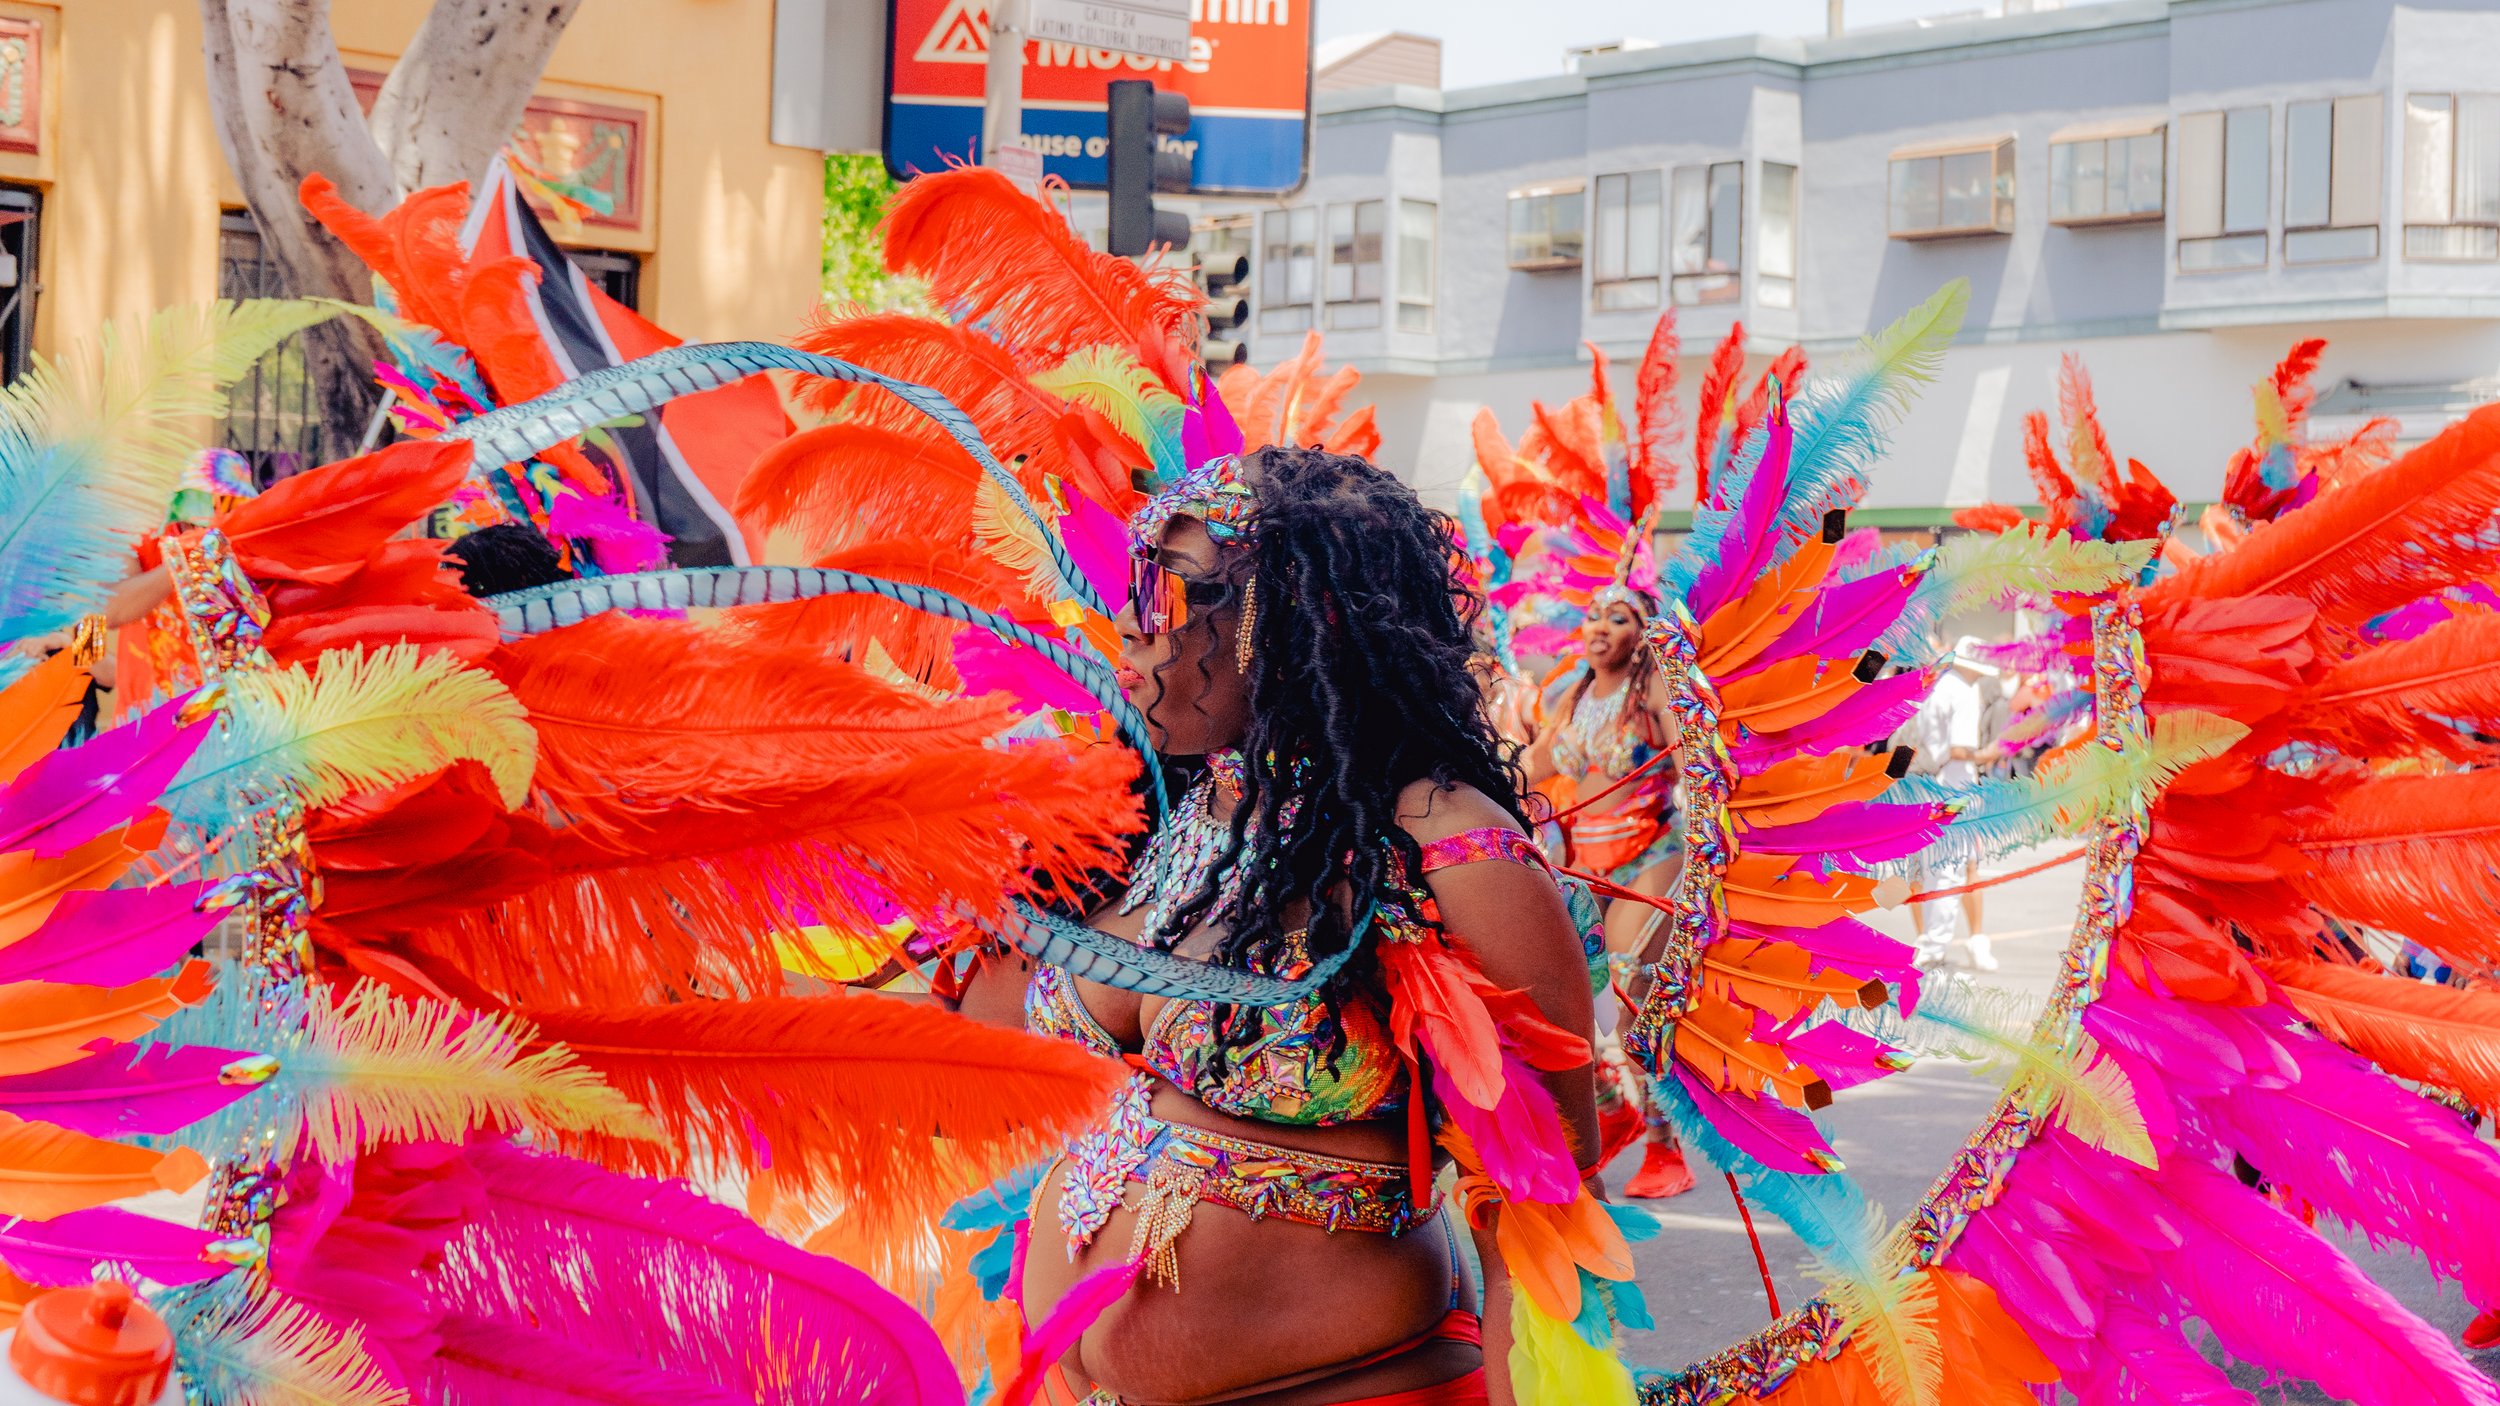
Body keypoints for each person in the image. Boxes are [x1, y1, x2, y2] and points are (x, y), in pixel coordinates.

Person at [962, 446, 1634, 1406]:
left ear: (1291, 621)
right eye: (1137, 598)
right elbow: (988, 1060)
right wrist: (986, 881)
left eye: (1174, 603)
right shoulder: (1163, 811)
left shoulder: (1443, 849)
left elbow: (1540, 1203)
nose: (1131, 634)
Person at [1520, 585, 1695, 1200]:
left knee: (1625, 998)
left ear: (1640, 635)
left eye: (1617, 618)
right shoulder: (1571, 696)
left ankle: (1664, 1148)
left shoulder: (1651, 692)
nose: (1598, 627)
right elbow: (1531, 768)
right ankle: (1609, 1109)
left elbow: (1697, 760)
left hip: (1652, 855)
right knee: (1560, 992)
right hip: (1588, 865)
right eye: (1592, 614)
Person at [1905, 638, 1998, 972]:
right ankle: (1934, 944)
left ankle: (1930, 941)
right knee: (1953, 868)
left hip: (1931, 783)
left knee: (1933, 869)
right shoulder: (1964, 692)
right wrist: (1989, 754)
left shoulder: (1938, 688)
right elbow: (1960, 749)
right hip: (1956, 783)